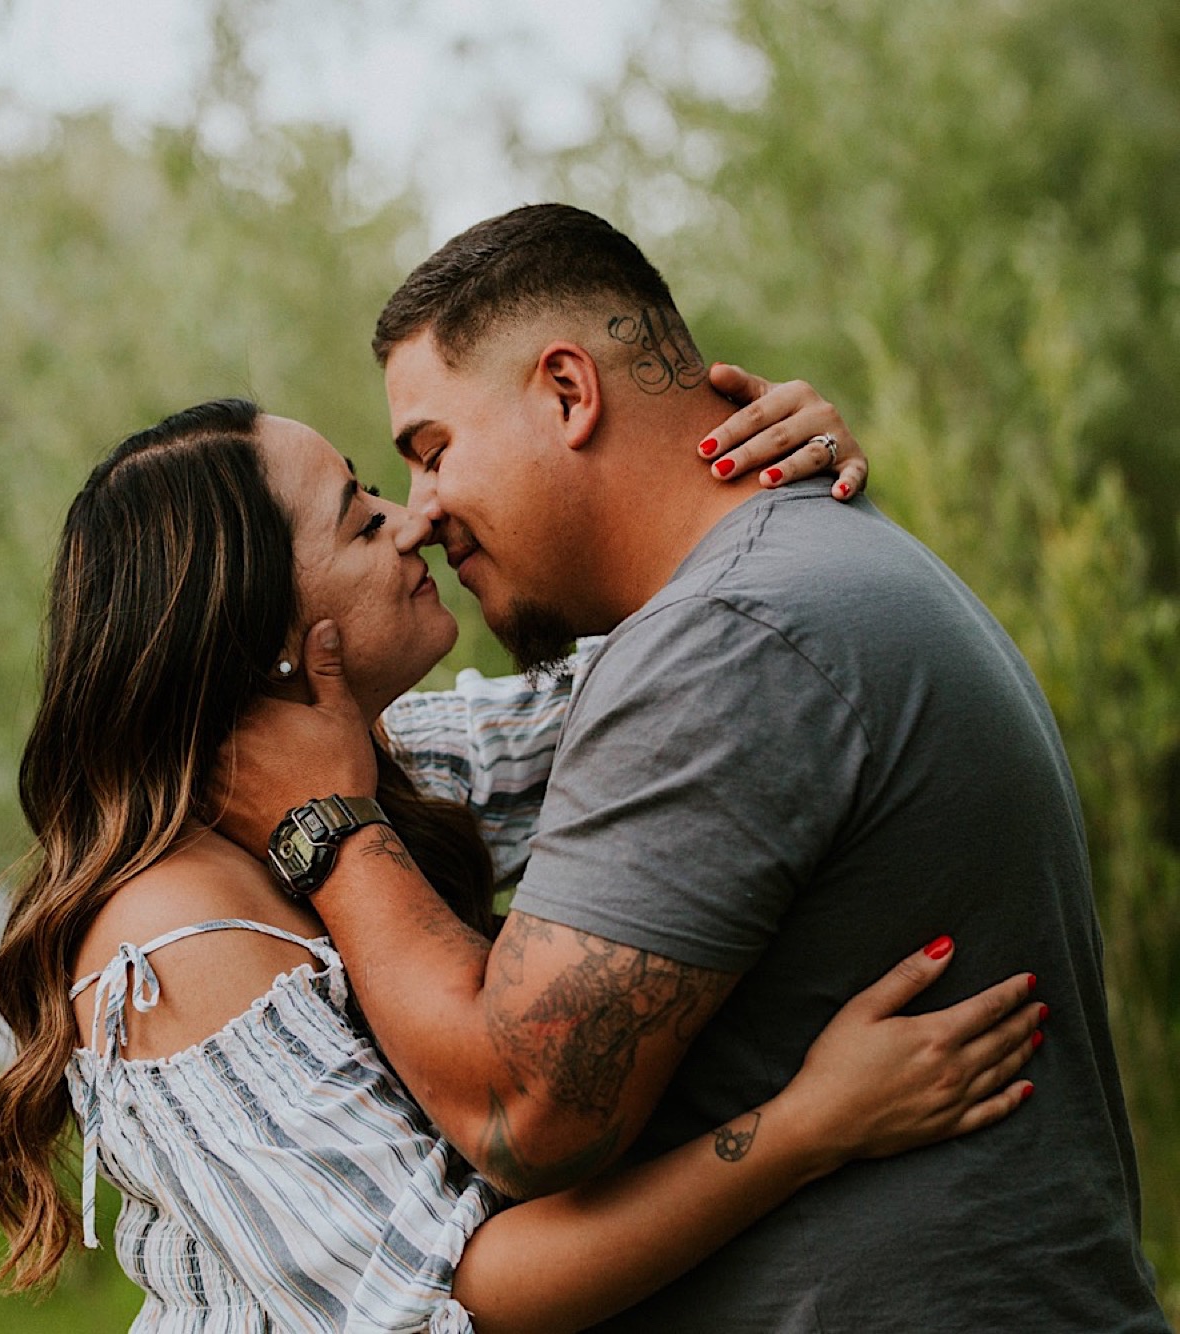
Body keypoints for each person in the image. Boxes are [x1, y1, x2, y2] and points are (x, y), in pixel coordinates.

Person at [213, 204, 1168, 1331]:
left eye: (430, 451)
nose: (417, 517)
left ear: (567, 392)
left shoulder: (727, 638)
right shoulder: (802, 573)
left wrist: (325, 821)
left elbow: (520, 1109)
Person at [0, 393, 1043, 1333]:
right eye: (358, 514)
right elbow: (457, 1297)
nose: (413, 521)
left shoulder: (401, 765)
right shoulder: (174, 947)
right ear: (263, 633)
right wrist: (807, 1128)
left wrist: (773, 490)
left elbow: (707, 676)